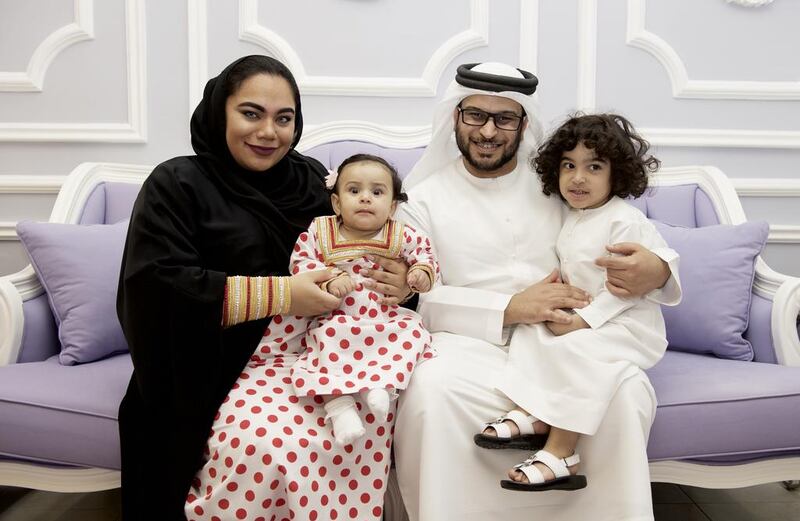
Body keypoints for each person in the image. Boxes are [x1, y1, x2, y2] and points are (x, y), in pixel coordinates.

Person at [116, 55, 410, 521]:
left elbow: (366, 245)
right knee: (266, 446)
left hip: (322, 353)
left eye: (284, 118)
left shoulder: (314, 183)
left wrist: (398, 283)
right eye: (251, 113)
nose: (268, 132)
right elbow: (155, 287)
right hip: (211, 361)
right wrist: (284, 294)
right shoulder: (177, 183)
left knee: (358, 425)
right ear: (220, 111)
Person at [393, 62, 681, 521]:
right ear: (455, 117)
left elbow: (617, 232)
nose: (488, 131)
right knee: (430, 389)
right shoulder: (422, 197)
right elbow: (420, 300)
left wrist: (658, 270)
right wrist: (509, 308)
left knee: (625, 392)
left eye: (504, 118)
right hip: (468, 344)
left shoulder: (559, 181)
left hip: (573, 337)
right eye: (475, 116)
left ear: (523, 123)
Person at [483, 113, 674, 492]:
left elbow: (628, 289)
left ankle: (561, 451)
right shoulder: (573, 217)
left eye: (594, 167)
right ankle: (531, 410)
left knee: (577, 351)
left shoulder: (624, 220)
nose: (578, 177)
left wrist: (584, 321)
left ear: (615, 174)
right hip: (584, 317)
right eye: (568, 166)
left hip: (627, 326)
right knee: (531, 331)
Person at [244, 153, 437, 450]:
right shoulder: (321, 231)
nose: (365, 199)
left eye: (377, 192)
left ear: (393, 206)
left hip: (382, 316)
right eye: (354, 190)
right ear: (336, 202)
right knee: (325, 340)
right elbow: (301, 261)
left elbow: (425, 254)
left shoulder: (400, 235)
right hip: (337, 314)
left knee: (411, 331)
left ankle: (381, 384)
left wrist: (421, 272)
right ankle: (339, 407)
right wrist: (329, 278)